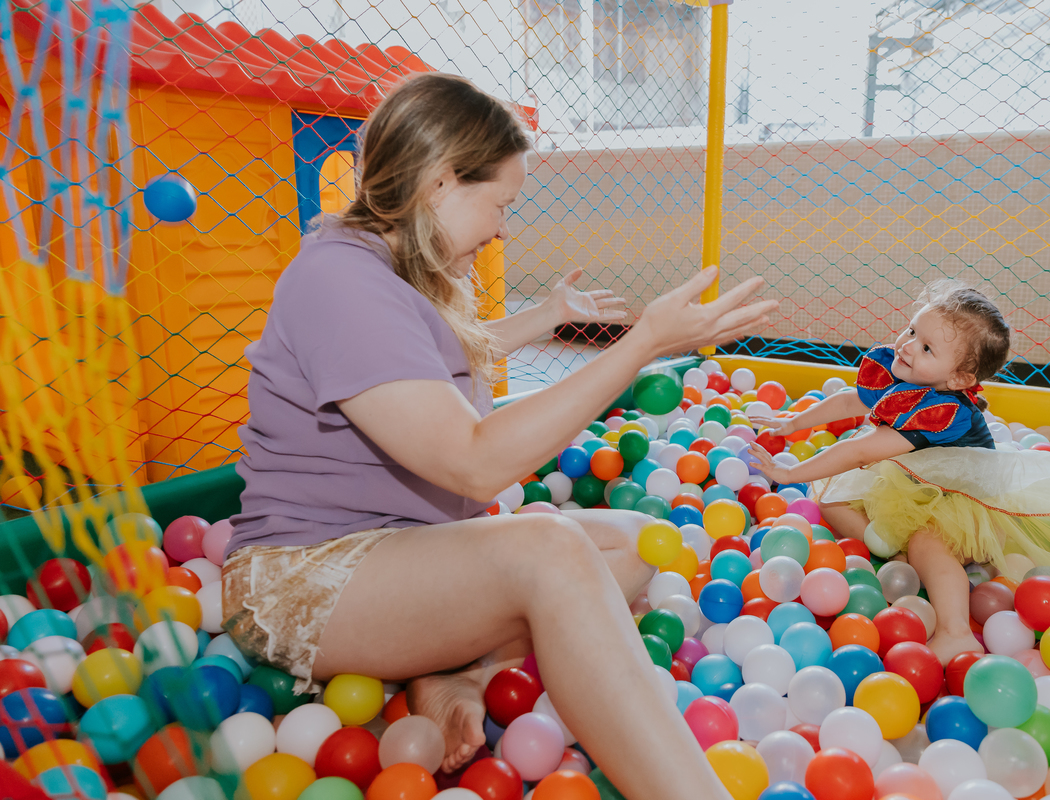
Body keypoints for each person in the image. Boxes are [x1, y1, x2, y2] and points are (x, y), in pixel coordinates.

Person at [220, 72, 776, 800]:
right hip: (304, 579)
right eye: (500, 203)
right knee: (550, 550)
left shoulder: (395, 273)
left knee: (634, 544)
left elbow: (458, 356)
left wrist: (551, 317)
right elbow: (474, 464)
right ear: (442, 183)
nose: (502, 226)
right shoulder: (338, 281)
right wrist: (639, 344)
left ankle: (452, 671)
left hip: (402, 552)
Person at [748, 280, 1050, 664]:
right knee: (831, 495)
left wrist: (790, 473)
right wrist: (791, 423)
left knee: (926, 542)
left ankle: (956, 632)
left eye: (927, 347)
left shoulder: (942, 412)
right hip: (920, 484)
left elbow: (861, 448)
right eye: (913, 331)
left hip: (967, 502)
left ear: (960, 379)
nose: (909, 345)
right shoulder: (911, 373)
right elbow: (850, 399)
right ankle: (892, 552)